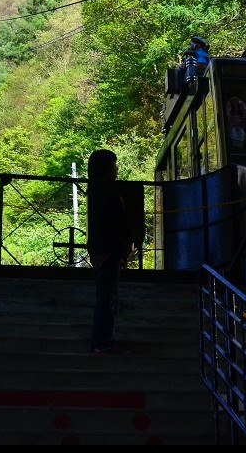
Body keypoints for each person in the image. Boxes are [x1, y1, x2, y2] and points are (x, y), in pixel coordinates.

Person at [86, 149, 134, 355]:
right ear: (106, 167)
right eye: (114, 164)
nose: (116, 168)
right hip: (109, 251)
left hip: (102, 250)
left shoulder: (95, 189)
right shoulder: (106, 189)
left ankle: (103, 341)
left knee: (106, 296)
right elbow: (115, 221)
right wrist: (124, 246)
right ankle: (103, 342)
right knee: (108, 297)